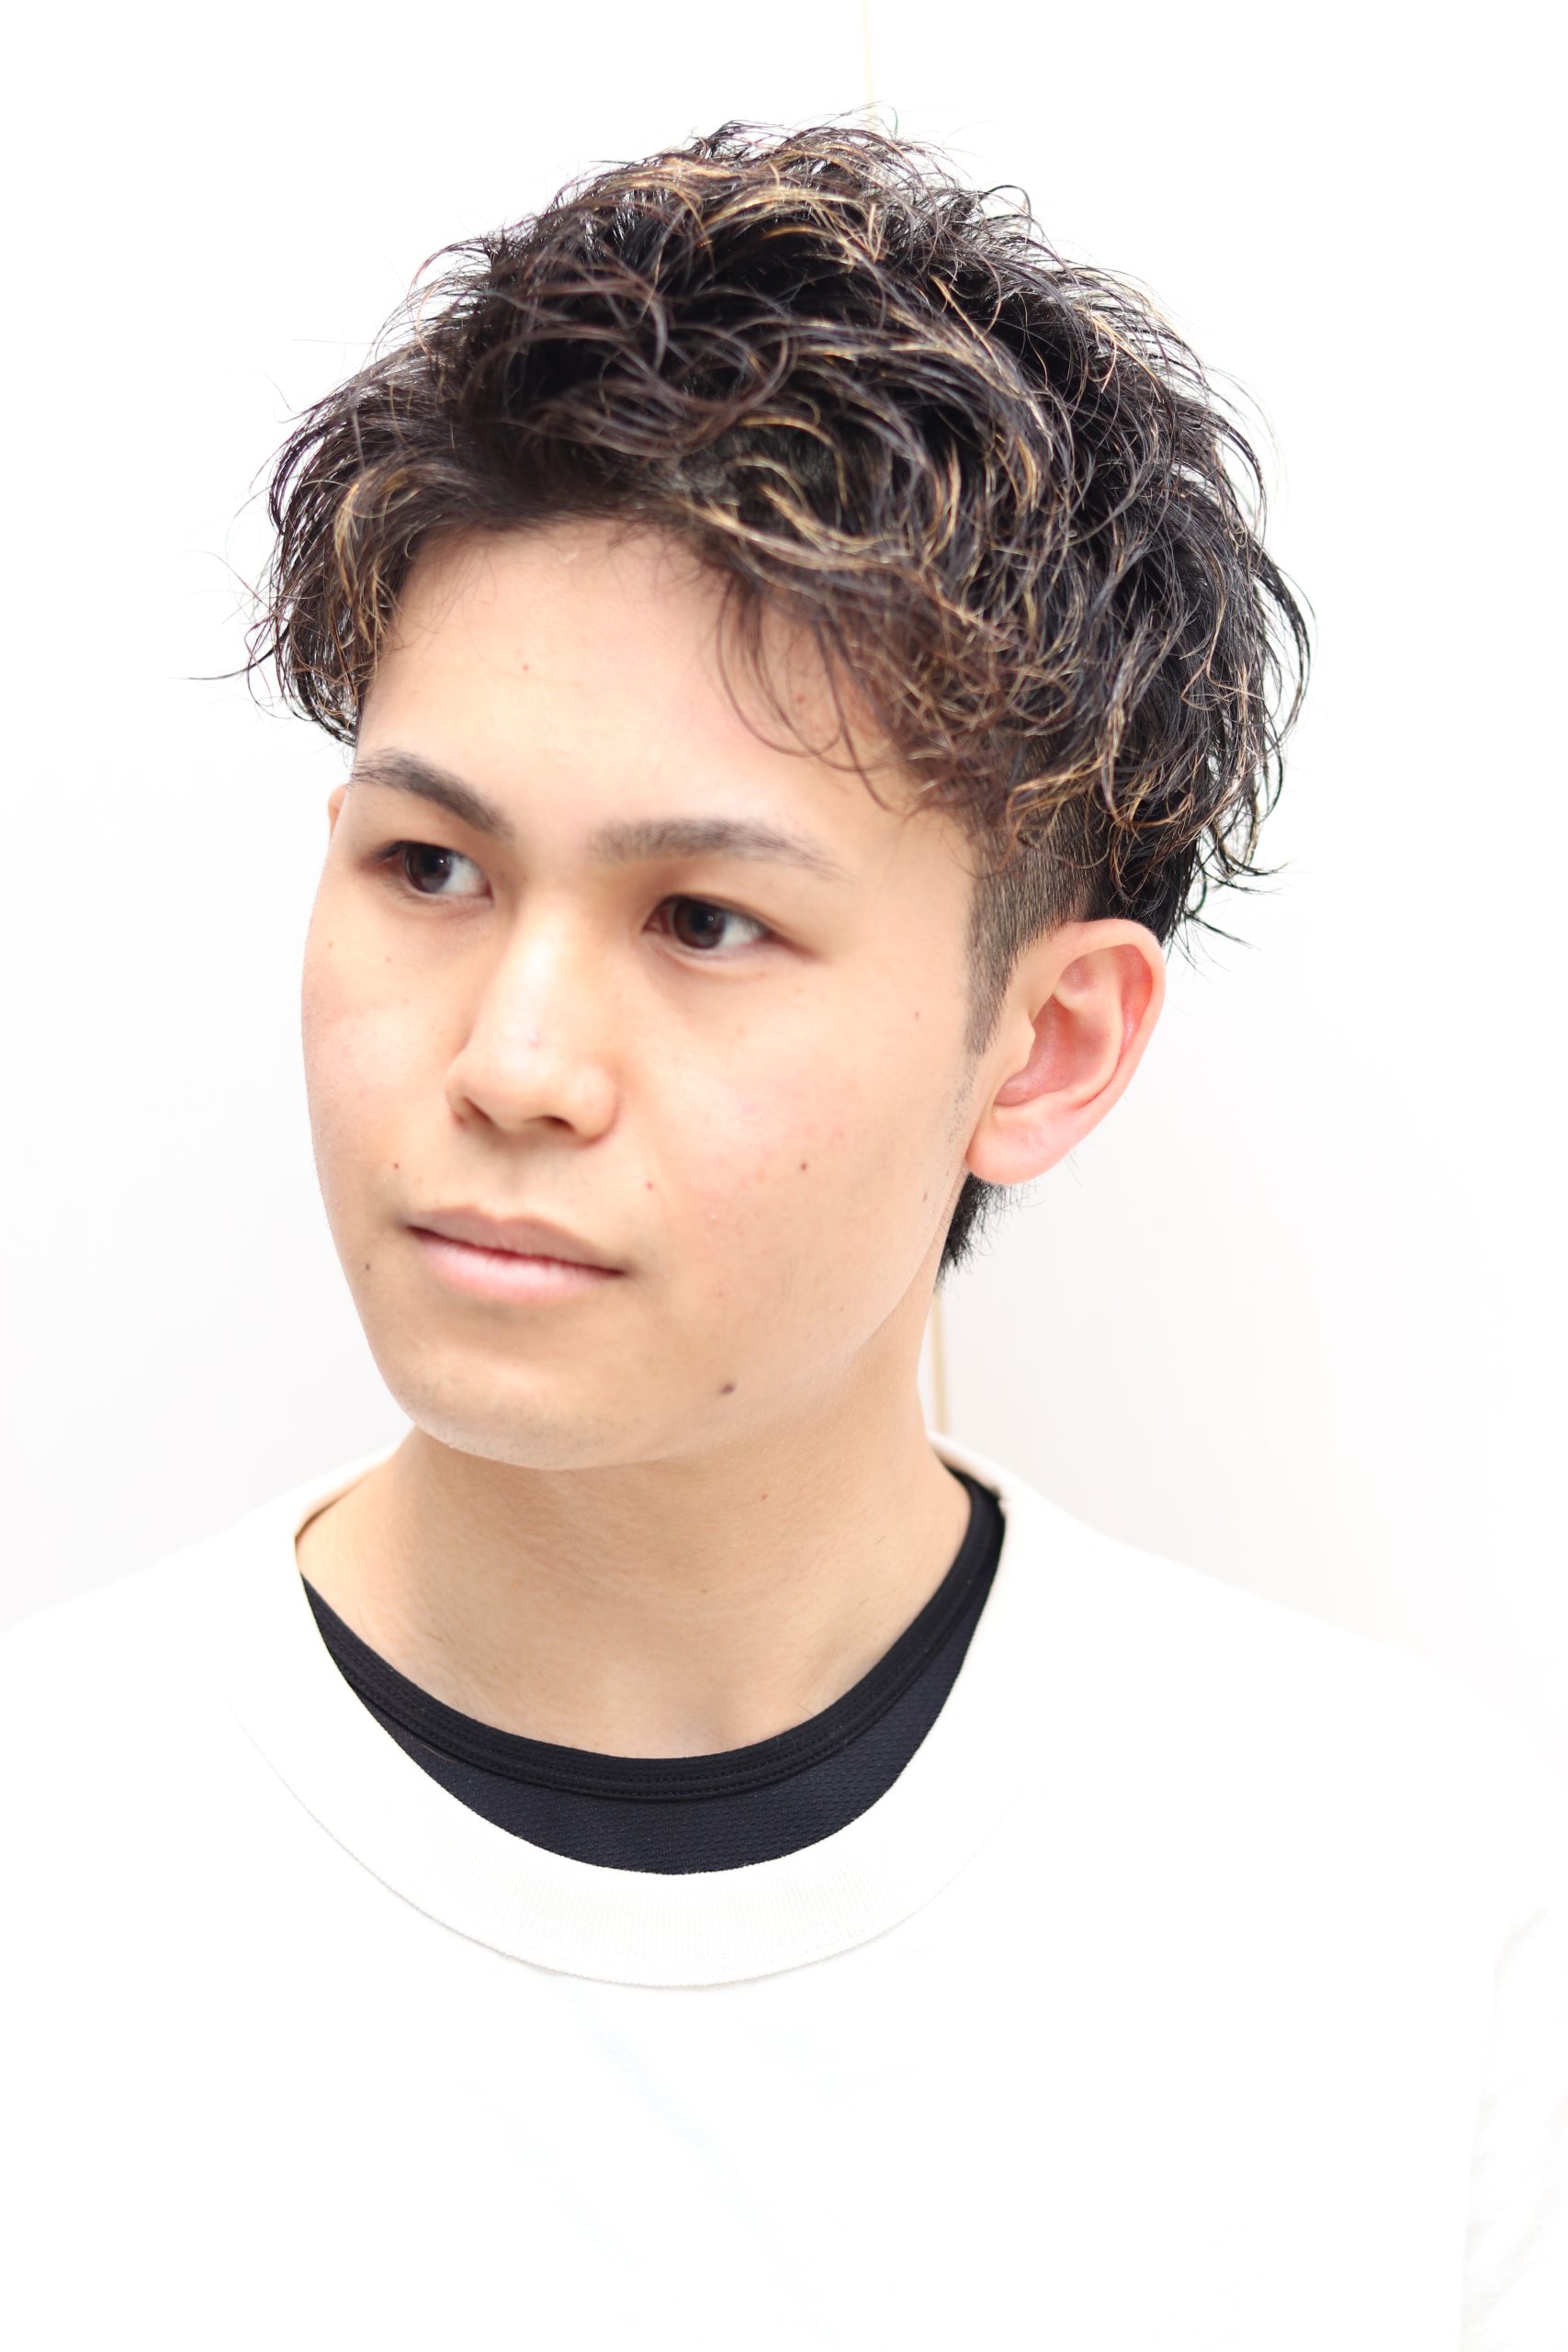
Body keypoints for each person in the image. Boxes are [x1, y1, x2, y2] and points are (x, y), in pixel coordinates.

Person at [3, 119, 1563, 2351]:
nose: (512, 1061)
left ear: (1041, 1046)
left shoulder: (1393, 1908)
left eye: (704, 919)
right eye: (428, 869)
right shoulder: (51, 1865)